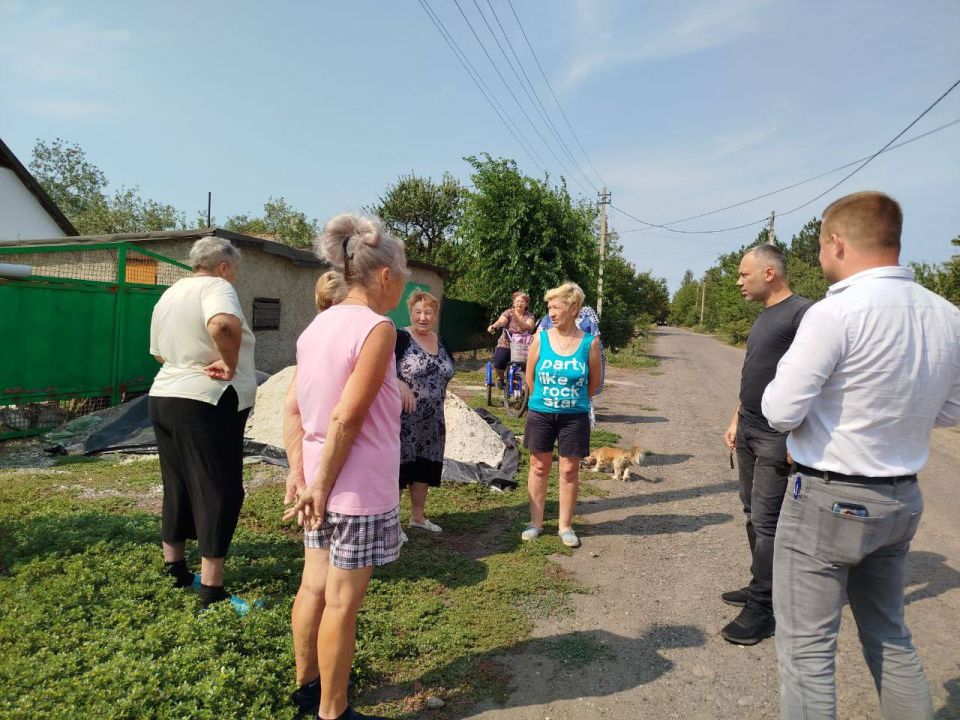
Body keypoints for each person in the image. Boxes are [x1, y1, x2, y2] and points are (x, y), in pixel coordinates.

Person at [762, 191, 960, 719]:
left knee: (808, 652)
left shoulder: (836, 312)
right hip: (900, 499)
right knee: (890, 636)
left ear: (836, 243)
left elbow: (780, 410)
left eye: (821, 246)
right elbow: (950, 411)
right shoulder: (947, 315)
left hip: (828, 497)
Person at [283, 213, 408, 720]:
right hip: (355, 489)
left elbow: (294, 409)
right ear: (383, 275)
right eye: (403, 269)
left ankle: (307, 688)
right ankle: (332, 712)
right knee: (340, 603)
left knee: (312, 587)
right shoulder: (376, 327)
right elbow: (347, 416)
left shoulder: (318, 325)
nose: (405, 280)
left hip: (320, 481)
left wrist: (303, 475)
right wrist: (322, 484)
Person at [148, 237, 257, 610]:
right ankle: (212, 590)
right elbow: (224, 325)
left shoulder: (170, 294)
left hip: (165, 396)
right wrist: (228, 363)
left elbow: (159, 352)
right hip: (207, 400)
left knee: (177, 482)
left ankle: (175, 568)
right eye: (235, 269)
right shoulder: (217, 287)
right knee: (218, 486)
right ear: (224, 266)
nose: (235, 276)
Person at [720, 245, 811, 646]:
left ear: (769, 272)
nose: (739, 281)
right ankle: (762, 585)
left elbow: (815, 381)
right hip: (750, 429)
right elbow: (755, 373)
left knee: (769, 520)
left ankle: (764, 609)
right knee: (751, 513)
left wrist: (800, 435)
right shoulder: (765, 316)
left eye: (744, 274)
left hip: (778, 435)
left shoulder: (803, 314)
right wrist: (737, 416)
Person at [521, 282, 602, 548]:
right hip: (541, 413)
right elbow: (530, 376)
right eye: (549, 308)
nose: (551, 313)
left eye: (556, 307)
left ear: (573, 308)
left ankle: (565, 526)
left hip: (574, 417)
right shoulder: (539, 338)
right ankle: (535, 522)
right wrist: (544, 399)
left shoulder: (589, 344)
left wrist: (571, 400)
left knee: (569, 471)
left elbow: (594, 383)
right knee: (539, 466)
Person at [395, 289, 455, 540]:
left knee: (424, 467)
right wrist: (400, 384)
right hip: (403, 419)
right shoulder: (399, 338)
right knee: (398, 469)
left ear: (435, 315)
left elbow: (446, 370)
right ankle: (392, 524)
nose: (423, 317)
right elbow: (380, 366)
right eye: (418, 312)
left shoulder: (440, 341)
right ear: (410, 313)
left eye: (428, 312)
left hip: (432, 420)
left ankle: (418, 517)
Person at [487, 291, 536, 387]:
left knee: (525, 367)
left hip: (522, 346)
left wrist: (517, 319)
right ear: (514, 302)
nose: (519, 303)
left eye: (522, 302)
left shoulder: (529, 316)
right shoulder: (509, 312)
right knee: (500, 362)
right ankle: (500, 378)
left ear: (526, 304)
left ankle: (524, 389)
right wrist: (494, 326)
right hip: (506, 342)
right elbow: (501, 321)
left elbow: (528, 327)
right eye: (517, 301)